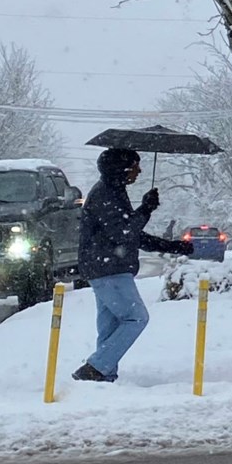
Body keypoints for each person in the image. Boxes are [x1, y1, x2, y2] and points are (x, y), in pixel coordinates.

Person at [72, 148, 193, 383]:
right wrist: (146, 208)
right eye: (135, 166)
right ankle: (95, 369)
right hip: (109, 269)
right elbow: (124, 233)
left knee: (111, 325)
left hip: (104, 268)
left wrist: (172, 246)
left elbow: (132, 234)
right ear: (122, 168)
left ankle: (104, 376)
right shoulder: (106, 194)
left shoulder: (113, 192)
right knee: (136, 318)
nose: (139, 171)